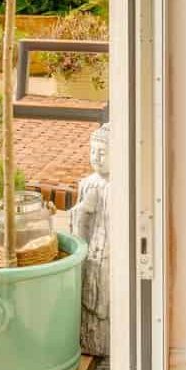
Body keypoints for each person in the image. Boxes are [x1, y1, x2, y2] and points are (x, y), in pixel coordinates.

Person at [75, 123, 112, 356]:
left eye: (102, 153)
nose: (96, 158)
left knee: (105, 300)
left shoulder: (120, 187)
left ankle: (106, 344)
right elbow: (78, 227)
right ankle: (89, 341)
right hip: (91, 251)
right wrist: (82, 213)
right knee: (88, 293)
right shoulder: (87, 184)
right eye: (93, 152)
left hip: (109, 252)